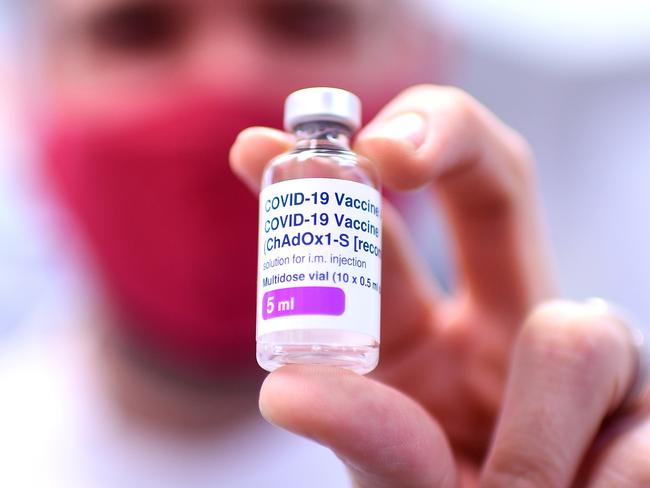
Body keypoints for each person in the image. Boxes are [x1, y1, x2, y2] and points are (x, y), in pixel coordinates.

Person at [4, 0, 648, 486]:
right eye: (137, 29)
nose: (229, 78)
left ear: (419, 60)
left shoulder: (488, 424)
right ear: (23, 93)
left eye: (305, 20)